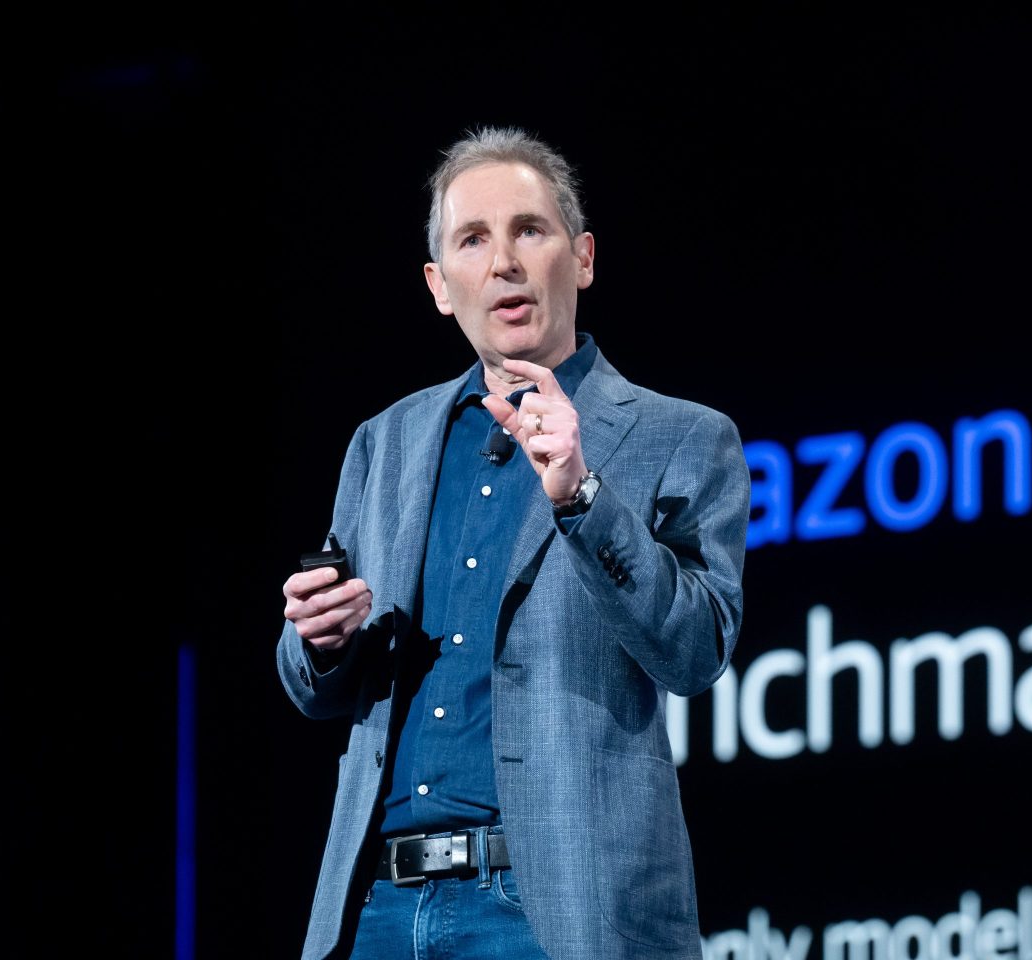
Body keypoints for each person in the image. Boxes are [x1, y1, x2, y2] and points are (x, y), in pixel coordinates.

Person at [276, 127, 749, 960]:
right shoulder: (381, 445)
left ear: (585, 257)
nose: (504, 262)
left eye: (530, 230)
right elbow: (316, 688)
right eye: (473, 239)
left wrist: (581, 494)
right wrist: (317, 641)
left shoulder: (682, 438)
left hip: (554, 908)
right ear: (438, 286)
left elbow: (696, 648)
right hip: (377, 906)